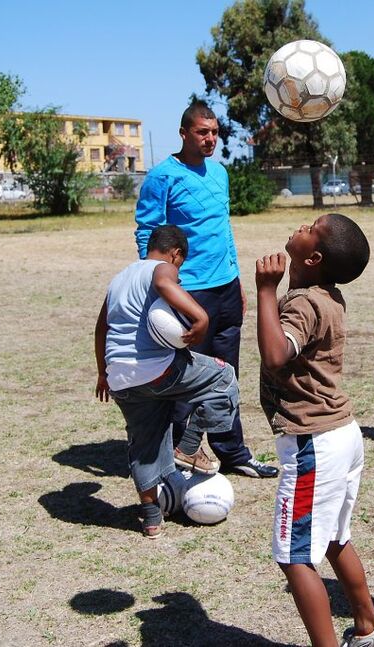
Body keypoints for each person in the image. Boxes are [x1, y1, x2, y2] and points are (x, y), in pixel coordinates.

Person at [255, 213, 374, 647]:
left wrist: (265, 291)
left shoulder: (302, 303)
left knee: (295, 557)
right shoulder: (326, 296)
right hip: (342, 434)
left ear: (313, 257)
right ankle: (370, 626)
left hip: (314, 443)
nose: (300, 226)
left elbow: (277, 354)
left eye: (309, 227)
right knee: (335, 537)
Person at [134, 100, 277, 479]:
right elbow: (147, 234)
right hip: (188, 293)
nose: (210, 138)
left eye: (214, 132)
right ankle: (181, 456)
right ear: (184, 133)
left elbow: (224, 229)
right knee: (185, 376)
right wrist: (158, 284)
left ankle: (233, 453)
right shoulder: (162, 176)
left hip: (226, 289)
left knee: (226, 375)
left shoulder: (219, 173)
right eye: (202, 132)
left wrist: (238, 281)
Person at [94, 225, 240, 537]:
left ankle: (151, 519)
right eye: (180, 266)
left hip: (120, 377)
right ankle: (188, 447)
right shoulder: (162, 268)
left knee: (144, 441)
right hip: (155, 367)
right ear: (175, 254)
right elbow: (164, 282)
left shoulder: (119, 278)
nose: (178, 273)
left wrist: (102, 373)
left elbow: (101, 327)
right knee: (223, 376)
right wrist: (201, 317)